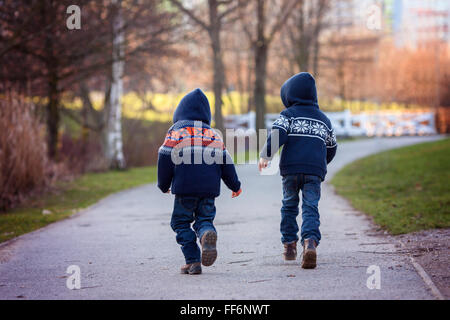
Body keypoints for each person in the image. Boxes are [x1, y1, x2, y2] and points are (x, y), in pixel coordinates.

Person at [157, 88, 242, 275]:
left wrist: (163, 184)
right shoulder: (214, 135)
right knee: (204, 219)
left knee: (180, 223)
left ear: (179, 113)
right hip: (208, 190)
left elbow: (164, 158)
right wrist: (235, 185)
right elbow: (226, 162)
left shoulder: (176, 132)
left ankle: (193, 260)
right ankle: (205, 235)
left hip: (184, 189)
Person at [259, 73, 337, 269]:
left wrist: (266, 156)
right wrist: (321, 164)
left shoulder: (288, 115)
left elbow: (278, 135)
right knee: (311, 206)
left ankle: (289, 246)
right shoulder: (324, 120)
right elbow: (332, 147)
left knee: (289, 206)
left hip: (291, 171)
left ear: (290, 95)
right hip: (314, 172)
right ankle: (310, 242)